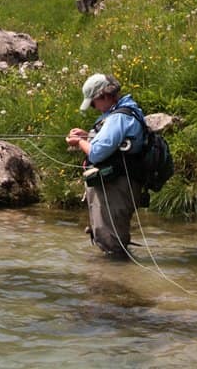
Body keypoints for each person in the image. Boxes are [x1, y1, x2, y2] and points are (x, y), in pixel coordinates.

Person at [65, 73, 146, 258]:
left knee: (112, 243)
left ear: (105, 96)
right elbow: (112, 143)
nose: (94, 108)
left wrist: (78, 143)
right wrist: (87, 137)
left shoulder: (118, 117)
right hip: (120, 185)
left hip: (116, 187)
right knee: (111, 239)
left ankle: (115, 282)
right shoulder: (126, 111)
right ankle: (114, 279)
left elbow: (97, 152)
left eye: (94, 103)